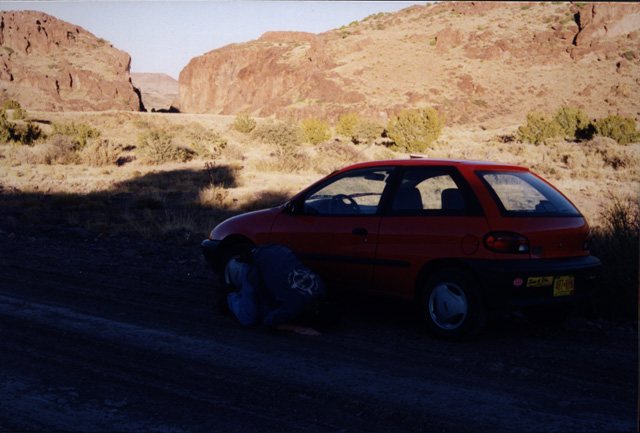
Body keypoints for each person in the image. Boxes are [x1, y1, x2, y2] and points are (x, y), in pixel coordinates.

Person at [223, 244, 340, 336]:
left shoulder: (320, 287)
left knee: (270, 304)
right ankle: (230, 294)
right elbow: (268, 323)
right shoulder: (294, 307)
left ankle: (247, 294)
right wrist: (297, 328)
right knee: (248, 319)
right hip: (253, 261)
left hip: (275, 249)